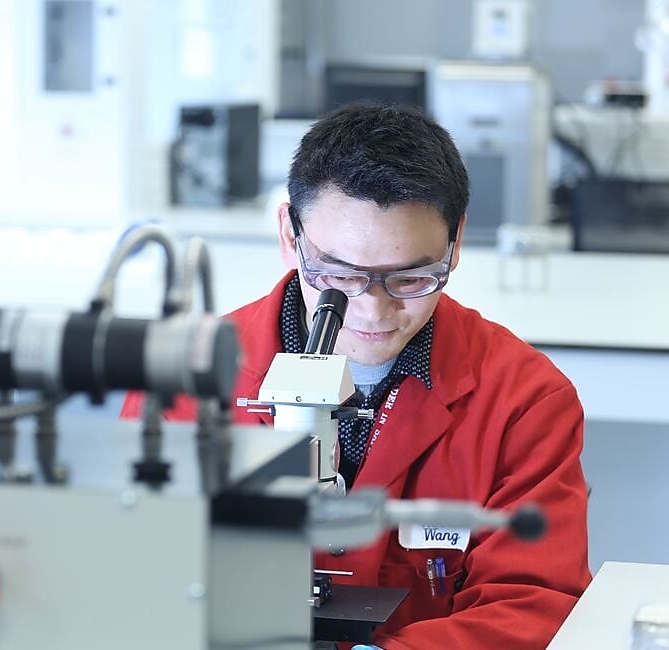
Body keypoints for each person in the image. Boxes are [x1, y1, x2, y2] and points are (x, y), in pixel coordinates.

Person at [122, 103, 591, 648]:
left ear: (456, 242)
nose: (372, 310)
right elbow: (131, 574)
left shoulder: (523, 401)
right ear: (289, 235)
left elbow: (532, 602)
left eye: (411, 278)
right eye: (338, 275)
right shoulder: (182, 381)